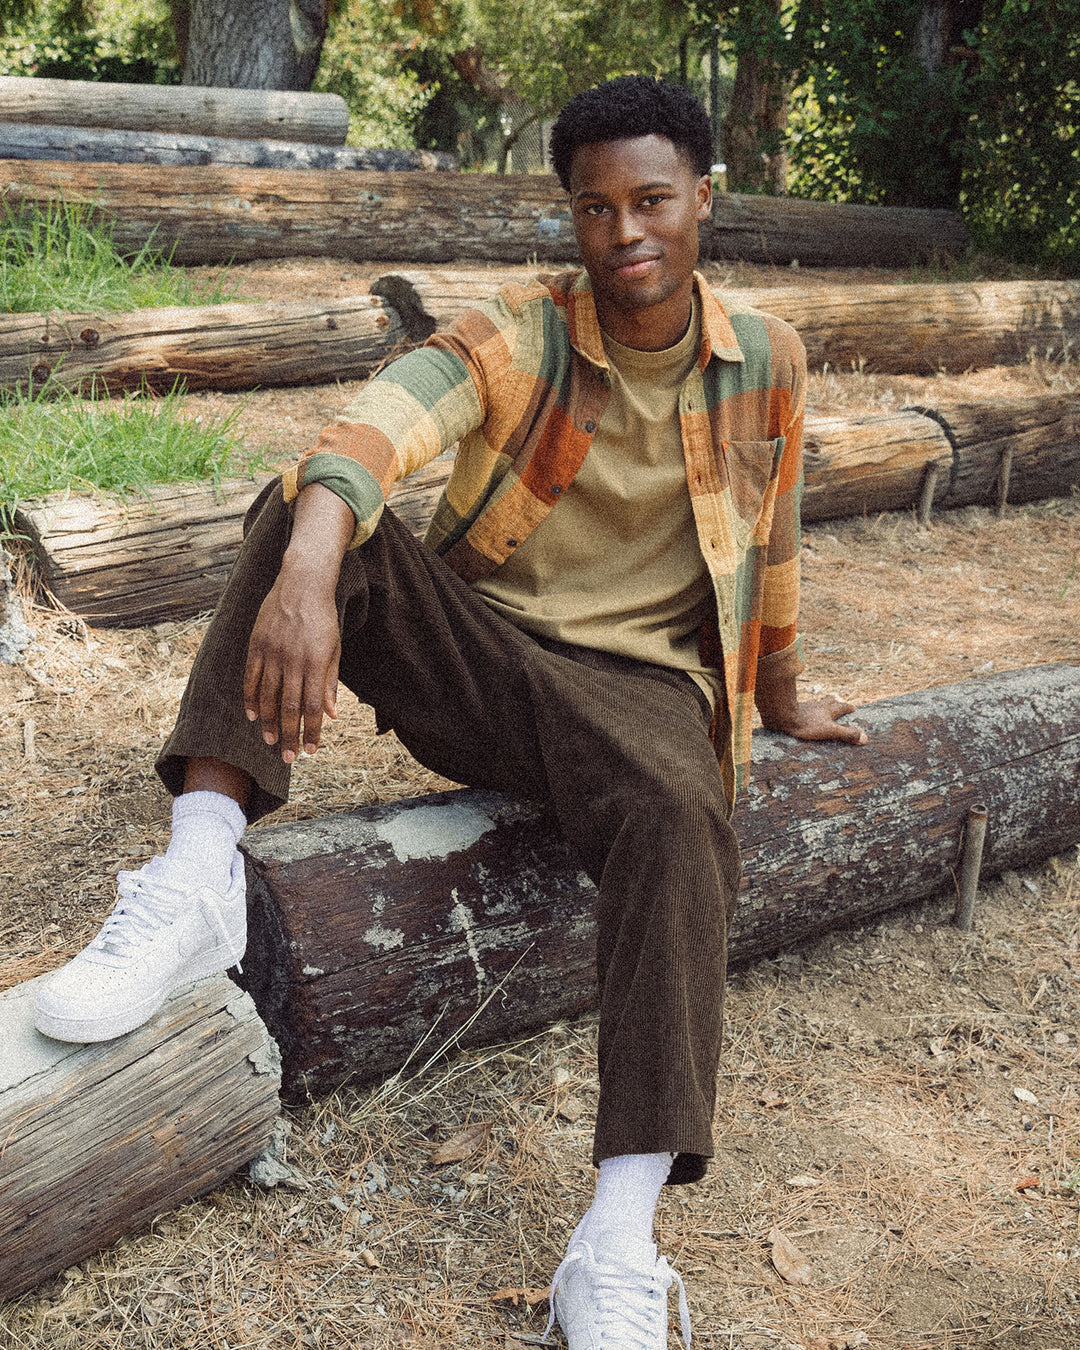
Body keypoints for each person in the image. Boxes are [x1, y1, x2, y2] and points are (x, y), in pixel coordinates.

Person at [34, 75, 865, 1348]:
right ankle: (197, 877)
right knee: (304, 510)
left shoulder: (770, 360)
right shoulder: (522, 333)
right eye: (595, 208)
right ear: (571, 217)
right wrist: (309, 574)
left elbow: (776, 544)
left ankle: (616, 1239)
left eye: (651, 201)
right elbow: (376, 426)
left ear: (705, 199)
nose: (625, 232)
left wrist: (788, 695)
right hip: (486, 662)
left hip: (642, 695)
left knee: (680, 812)